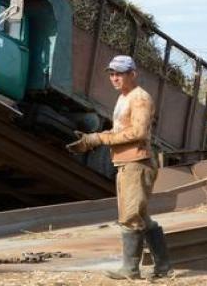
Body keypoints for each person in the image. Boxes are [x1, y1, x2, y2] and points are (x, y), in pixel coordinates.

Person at [66, 55, 172, 280]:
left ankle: (131, 269)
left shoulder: (140, 98)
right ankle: (163, 267)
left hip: (137, 163)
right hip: (126, 163)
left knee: (130, 217)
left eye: (120, 74)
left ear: (133, 74)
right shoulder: (124, 98)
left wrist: (100, 140)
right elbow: (119, 131)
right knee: (140, 215)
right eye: (112, 74)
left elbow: (138, 133)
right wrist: (93, 138)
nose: (115, 78)